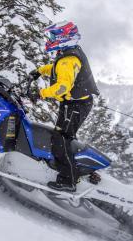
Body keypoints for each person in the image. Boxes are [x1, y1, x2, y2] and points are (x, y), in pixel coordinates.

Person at [29, 21, 99, 192]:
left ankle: (68, 180)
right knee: (63, 136)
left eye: (53, 36)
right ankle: (73, 168)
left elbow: (62, 87)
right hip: (77, 102)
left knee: (60, 138)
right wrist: (41, 70)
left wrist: (41, 94)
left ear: (63, 37)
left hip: (75, 104)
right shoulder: (70, 53)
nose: (50, 39)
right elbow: (57, 68)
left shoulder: (68, 59)